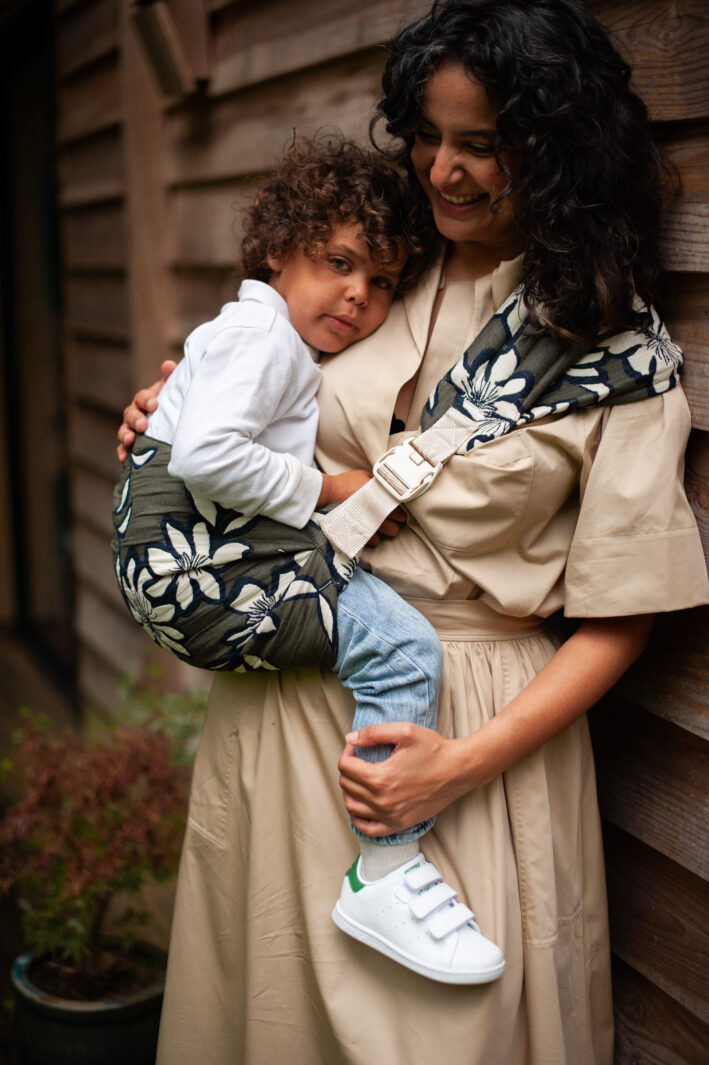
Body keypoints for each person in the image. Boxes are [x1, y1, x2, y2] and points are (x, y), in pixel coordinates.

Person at [117, 2, 709, 1063]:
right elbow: (248, 391)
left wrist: (455, 765)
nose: (442, 170)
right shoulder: (379, 268)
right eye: (427, 135)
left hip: (457, 740)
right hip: (283, 699)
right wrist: (164, 415)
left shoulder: (614, 356)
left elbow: (621, 622)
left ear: (558, 149)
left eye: (480, 142)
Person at [112, 134, 505, 985]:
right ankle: (387, 868)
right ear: (276, 250)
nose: (358, 294)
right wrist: (331, 490)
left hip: (178, 567)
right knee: (403, 650)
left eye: (382, 283)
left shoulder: (260, 334)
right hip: (204, 567)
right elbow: (207, 457)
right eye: (338, 263)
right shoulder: (263, 337)